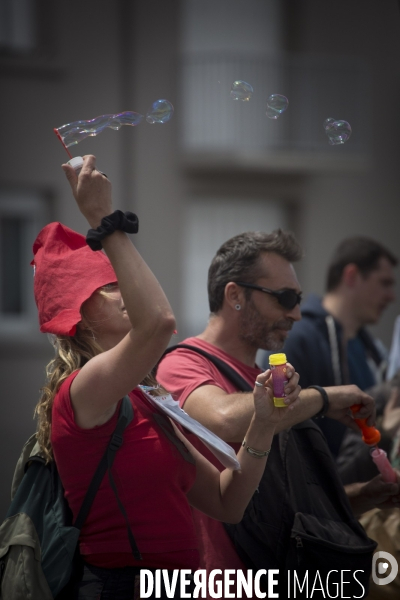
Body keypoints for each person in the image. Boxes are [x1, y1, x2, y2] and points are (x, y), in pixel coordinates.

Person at [33, 157, 296, 600]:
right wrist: (103, 219)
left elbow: (228, 503)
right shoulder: (80, 390)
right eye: (109, 286)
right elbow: (158, 322)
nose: (124, 292)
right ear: (79, 317)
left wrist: (265, 423)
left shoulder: (146, 397)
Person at [157, 230, 400, 586]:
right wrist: (323, 398)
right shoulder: (184, 364)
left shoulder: (269, 380)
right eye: (285, 298)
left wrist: (364, 496)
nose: (297, 314)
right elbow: (223, 420)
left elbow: (290, 507)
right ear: (235, 295)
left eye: (298, 299)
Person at [277, 236, 397, 457]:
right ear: (352, 276)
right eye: (384, 283)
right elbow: (282, 427)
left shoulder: (371, 349)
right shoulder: (298, 340)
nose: (391, 296)